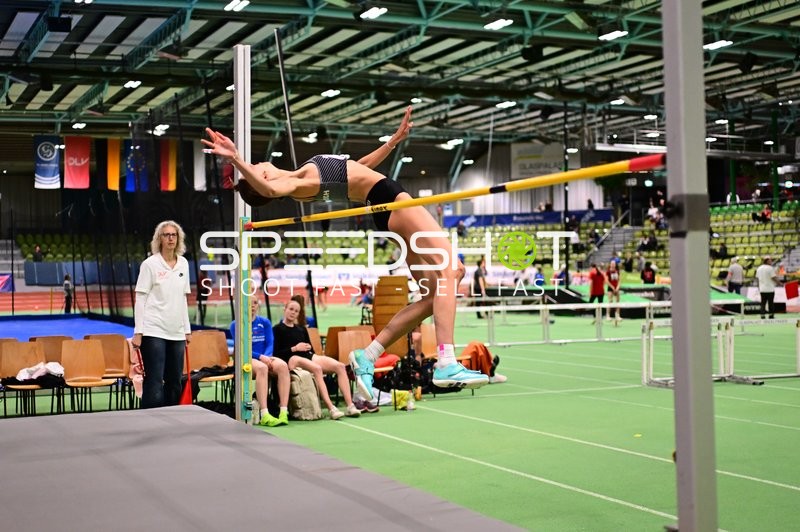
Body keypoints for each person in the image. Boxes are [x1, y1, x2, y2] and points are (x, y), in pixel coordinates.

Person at [203, 106, 487, 402]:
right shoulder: (298, 183)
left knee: (433, 294)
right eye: (259, 165)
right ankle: (446, 363)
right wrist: (236, 159)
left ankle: (368, 355)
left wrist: (392, 142)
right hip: (392, 200)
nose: (262, 162)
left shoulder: (306, 176)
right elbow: (271, 191)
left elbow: (360, 169)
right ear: (264, 176)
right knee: (451, 270)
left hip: (381, 201)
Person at [132, 221, 192, 409]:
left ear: (178, 238)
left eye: (174, 235)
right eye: (166, 235)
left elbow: (182, 299)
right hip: (153, 330)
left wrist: (187, 329)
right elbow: (140, 298)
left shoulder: (183, 263)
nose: (170, 238)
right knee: (155, 381)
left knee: (175, 381)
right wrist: (138, 332)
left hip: (176, 332)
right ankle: (151, 423)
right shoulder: (149, 264)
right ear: (159, 239)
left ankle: (173, 423)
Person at [272, 299, 360, 420]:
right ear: (285, 309)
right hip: (291, 359)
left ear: (299, 314)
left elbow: (311, 350)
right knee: (317, 369)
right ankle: (331, 408)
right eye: (291, 309)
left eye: (296, 311)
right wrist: (295, 348)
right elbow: (276, 353)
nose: (293, 313)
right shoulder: (277, 329)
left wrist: (308, 348)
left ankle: (350, 406)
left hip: (307, 356)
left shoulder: (301, 329)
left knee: (339, 366)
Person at [230, 298, 290, 427]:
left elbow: (270, 342)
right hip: (246, 357)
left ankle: (283, 411)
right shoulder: (236, 324)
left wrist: (267, 357)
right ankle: (264, 414)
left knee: (283, 366)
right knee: (262, 368)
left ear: (258, 306)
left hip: (265, 357)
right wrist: (261, 357)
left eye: (255, 303)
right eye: (249, 303)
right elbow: (242, 347)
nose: (252, 305)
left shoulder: (265, 322)